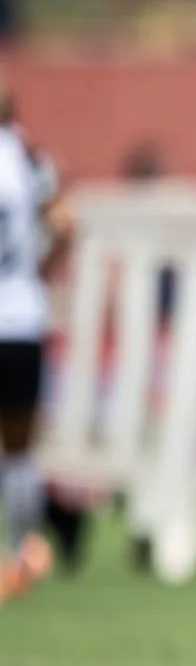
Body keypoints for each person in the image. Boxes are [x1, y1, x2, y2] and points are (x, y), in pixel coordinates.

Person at [0, 80, 70, 600]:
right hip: (22, 315)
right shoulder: (29, 159)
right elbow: (66, 225)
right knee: (19, 447)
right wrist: (38, 273)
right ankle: (24, 552)